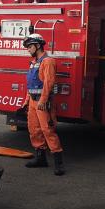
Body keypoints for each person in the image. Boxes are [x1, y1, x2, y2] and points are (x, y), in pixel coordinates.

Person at [22, 33, 65, 176]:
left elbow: (48, 83)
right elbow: (31, 83)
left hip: (42, 102)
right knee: (34, 129)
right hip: (33, 102)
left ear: (38, 46)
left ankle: (59, 163)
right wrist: (27, 100)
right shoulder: (34, 62)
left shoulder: (48, 61)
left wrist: (43, 101)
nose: (28, 49)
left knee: (48, 130)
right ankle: (41, 159)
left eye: (29, 46)